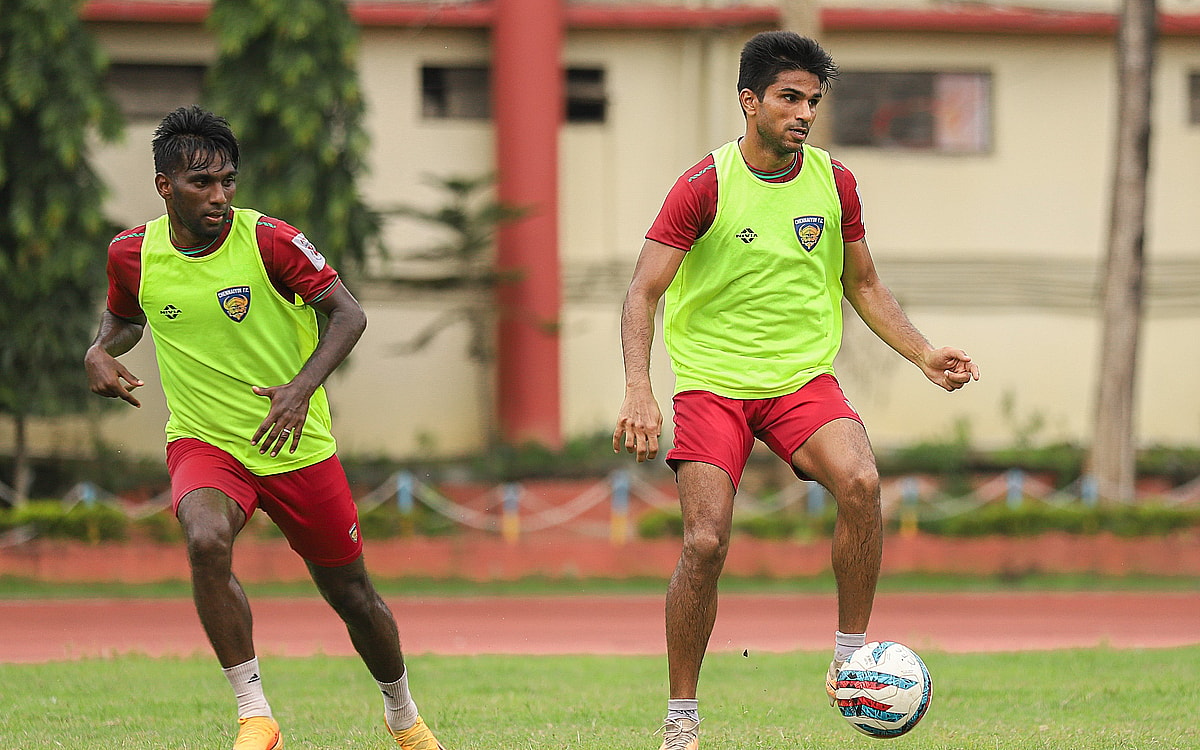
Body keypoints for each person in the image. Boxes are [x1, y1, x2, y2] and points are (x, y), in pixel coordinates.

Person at [612, 31, 979, 750]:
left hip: (799, 381)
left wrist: (924, 353)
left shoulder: (834, 184)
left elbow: (863, 283)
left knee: (863, 482)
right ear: (748, 102)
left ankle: (850, 663)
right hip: (713, 385)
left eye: (813, 100)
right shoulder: (703, 186)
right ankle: (681, 718)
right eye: (789, 98)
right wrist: (638, 390)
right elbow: (641, 293)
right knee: (706, 541)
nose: (804, 112)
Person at [84, 106, 446, 750]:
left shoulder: (271, 240)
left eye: (228, 181)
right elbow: (126, 319)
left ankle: (402, 714)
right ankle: (256, 715)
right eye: (203, 183)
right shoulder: (132, 252)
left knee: (352, 593)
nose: (220, 195)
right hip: (204, 438)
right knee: (204, 539)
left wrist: (301, 390)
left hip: (295, 443)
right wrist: (99, 350)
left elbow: (348, 315)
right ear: (165, 186)